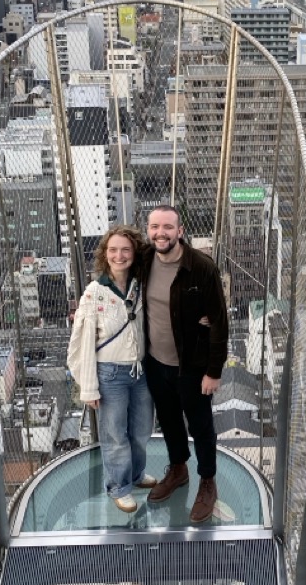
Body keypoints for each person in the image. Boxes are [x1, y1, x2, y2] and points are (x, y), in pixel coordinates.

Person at [140, 205, 228, 523]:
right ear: (148, 230)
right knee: (169, 420)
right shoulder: (144, 261)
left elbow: (218, 322)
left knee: (201, 426)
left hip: (192, 366)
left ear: (180, 231)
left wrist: (213, 371)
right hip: (155, 362)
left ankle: (207, 481)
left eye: (167, 227)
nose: (160, 233)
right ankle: (178, 469)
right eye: (154, 227)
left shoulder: (201, 267)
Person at [66, 225, 155, 514]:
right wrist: (88, 386)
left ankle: (136, 475)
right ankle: (119, 487)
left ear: (134, 253)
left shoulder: (141, 285)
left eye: (126, 250)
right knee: (115, 434)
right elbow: (83, 344)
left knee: (141, 430)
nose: (119, 255)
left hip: (139, 371)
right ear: (105, 254)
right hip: (110, 374)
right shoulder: (95, 292)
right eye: (113, 250)